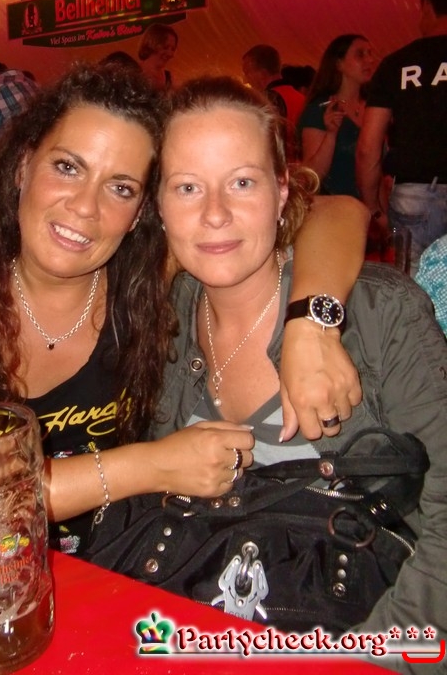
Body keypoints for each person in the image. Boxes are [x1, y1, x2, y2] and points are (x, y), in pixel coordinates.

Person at [0, 62, 366, 556]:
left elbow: (335, 211)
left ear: (141, 211)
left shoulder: (144, 270)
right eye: (68, 167)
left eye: (121, 187)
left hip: (123, 558)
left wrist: (310, 325)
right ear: (23, 165)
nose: (86, 206)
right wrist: (154, 465)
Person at [152, 74, 447, 659]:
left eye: (242, 182)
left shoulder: (380, 314)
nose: (215, 214)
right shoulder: (159, 323)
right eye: (186, 187)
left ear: (283, 190)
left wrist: (364, 663)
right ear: (157, 205)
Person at [356, 0, 447, 276]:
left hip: (415, 194)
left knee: (415, 291)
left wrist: (373, 209)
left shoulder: (397, 64)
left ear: (427, 6)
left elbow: (368, 147)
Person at [298, 34, 374, 198]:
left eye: (370, 53)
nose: (369, 60)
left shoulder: (374, 108)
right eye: (360, 54)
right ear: (339, 64)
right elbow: (313, 175)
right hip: (336, 205)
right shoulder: (320, 110)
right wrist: (331, 134)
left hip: (372, 204)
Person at [242, 44, 304, 163]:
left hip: (280, 166)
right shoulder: (300, 97)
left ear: (262, 73)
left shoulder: (267, 100)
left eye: (247, 72)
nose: (246, 80)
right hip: (299, 168)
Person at [137, 23, 178, 90]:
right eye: (165, 47)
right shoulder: (134, 72)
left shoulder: (169, 79)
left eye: (173, 49)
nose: (170, 54)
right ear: (152, 44)